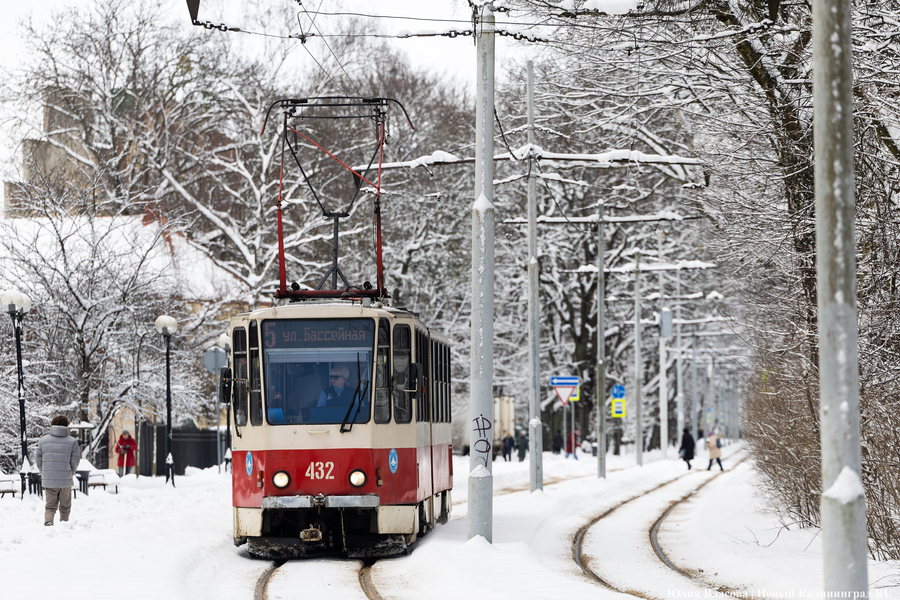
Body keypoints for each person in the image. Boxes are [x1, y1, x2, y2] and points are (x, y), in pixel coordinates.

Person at [35, 415, 80, 526]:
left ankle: (49, 522)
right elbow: (75, 461)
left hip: (49, 480)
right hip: (65, 480)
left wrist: (44, 473)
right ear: (67, 424)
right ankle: (64, 525)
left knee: (50, 505)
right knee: (65, 506)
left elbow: (38, 460)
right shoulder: (72, 441)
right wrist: (70, 473)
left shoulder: (43, 440)